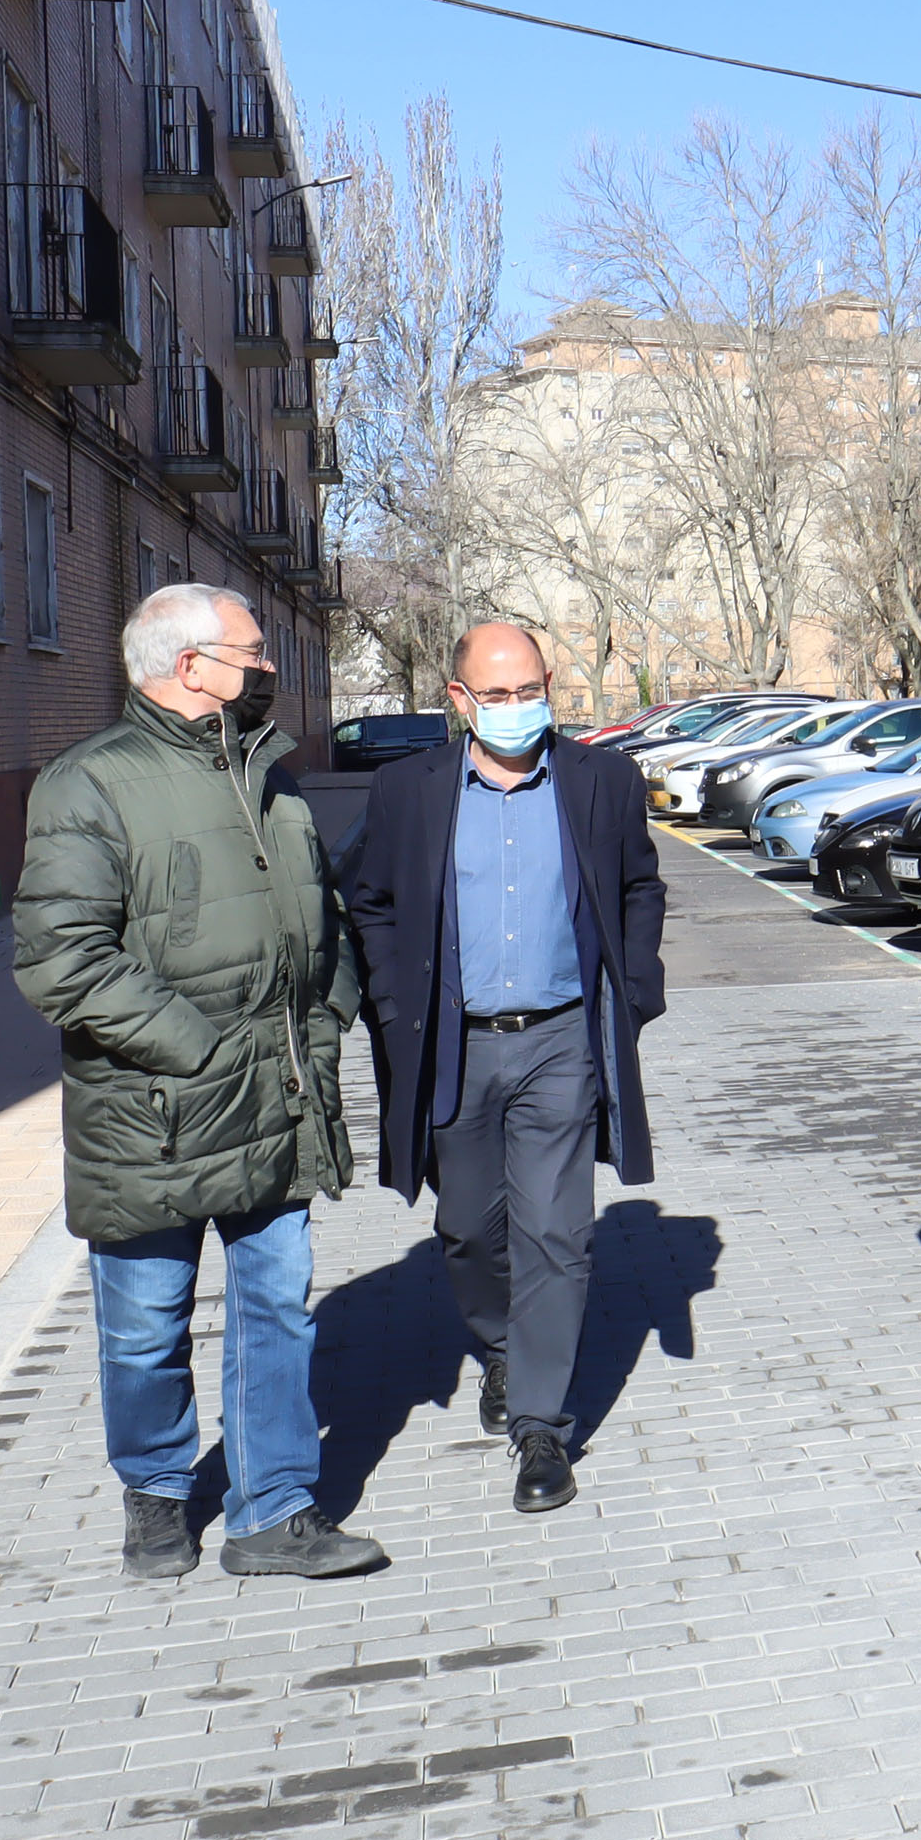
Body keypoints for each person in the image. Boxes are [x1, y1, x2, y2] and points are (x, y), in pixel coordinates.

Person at [12, 583, 381, 1580]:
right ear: (190, 666)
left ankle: (274, 1510)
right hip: (154, 1112)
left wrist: (327, 1012)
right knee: (144, 1325)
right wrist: (200, 1050)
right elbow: (60, 960)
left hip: (278, 1098)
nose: (269, 668)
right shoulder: (87, 784)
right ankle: (156, 1492)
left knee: (277, 1312)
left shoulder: (269, 775)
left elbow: (321, 913)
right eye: (253, 652)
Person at [340, 620, 668, 1517]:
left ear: (549, 686)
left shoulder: (601, 780)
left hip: (562, 1042)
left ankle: (540, 1424)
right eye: (497, 695)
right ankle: (500, 1347)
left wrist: (635, 993)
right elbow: (370, 902)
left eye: (530, 690)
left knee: (558, 1234)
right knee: (468, 1231)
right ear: (459, 700)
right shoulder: (409, 790)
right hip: (456, 1044)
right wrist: (394, 1008)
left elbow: (639, 887)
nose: (518, 707)